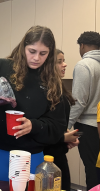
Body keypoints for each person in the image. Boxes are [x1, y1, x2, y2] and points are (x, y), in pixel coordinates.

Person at [0, 25, 79, 181]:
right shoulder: (1, 67)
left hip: (31, 156)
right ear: (23, 47)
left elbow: (57, 127)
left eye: (43, 53)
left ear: (50, 54)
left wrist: (33, 126)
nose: (36, 58)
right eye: (32, 51)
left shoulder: (52, 82)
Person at [67, 31, 100, 190]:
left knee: (91, 168)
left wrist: (65, 126)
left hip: (86, 126)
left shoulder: (84, 65)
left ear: (82, 46)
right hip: (99, 124)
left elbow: (78, 102)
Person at [43, 49, 79, 191]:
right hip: (47, 157)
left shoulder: (58, 88)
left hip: (58, 154)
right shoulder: (45, 92)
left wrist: (66, 134)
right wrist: (62, 137)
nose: (65, 65)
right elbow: (41, 128)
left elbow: (57, 123)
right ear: (49, 65)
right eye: (60, 62)